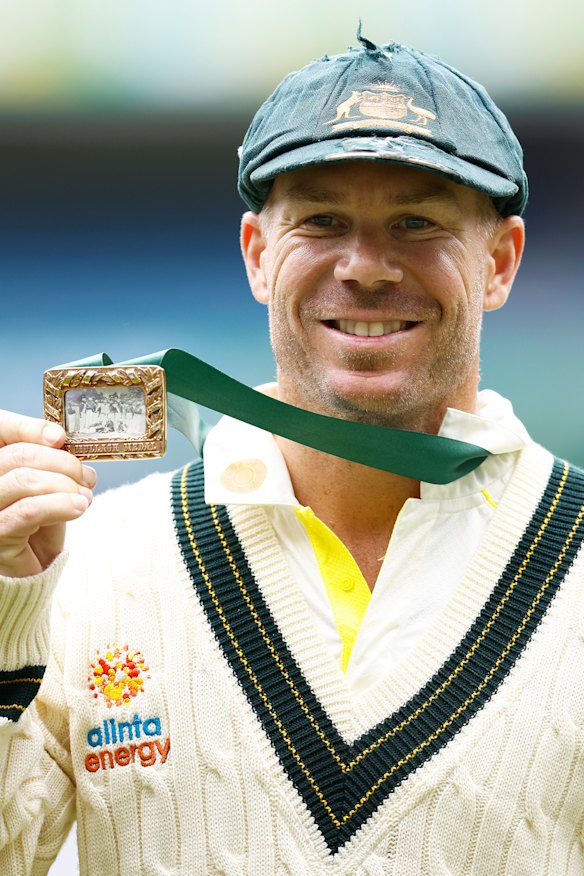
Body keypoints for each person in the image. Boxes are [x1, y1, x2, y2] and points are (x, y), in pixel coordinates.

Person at [1, 31, 583, 875]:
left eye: (416, 221)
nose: (366, 265)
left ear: (499, 261)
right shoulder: (90, 564)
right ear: (258, 256)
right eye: (322, 220)